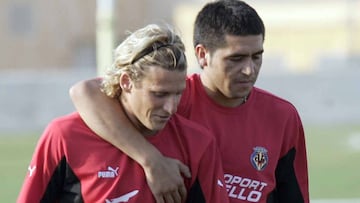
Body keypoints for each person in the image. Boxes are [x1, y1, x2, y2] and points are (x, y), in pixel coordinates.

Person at [69, 0, 310, 202]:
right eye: (235, 59)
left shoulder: (282, 117)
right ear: (203, 55)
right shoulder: (169, 99)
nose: (249, 70)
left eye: (256, 57)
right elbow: (84, 91)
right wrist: (151, 160)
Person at [17, 24, 229, 203]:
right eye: (159, 94)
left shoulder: (198, 144)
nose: (171, 108)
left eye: (178, 94)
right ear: (126, 82)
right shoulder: (64, 136)